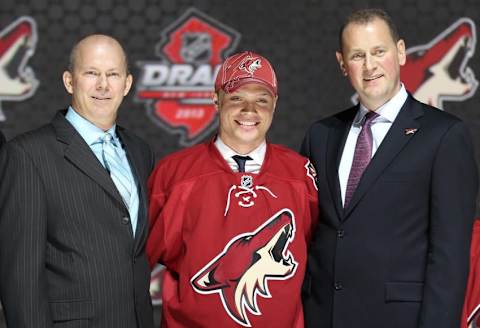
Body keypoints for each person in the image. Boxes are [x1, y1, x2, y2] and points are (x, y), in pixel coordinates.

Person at [301, 8, 478, 328]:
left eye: (378, 51)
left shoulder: (444, 135)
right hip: (322, 316)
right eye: (357, 55)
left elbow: (449, 257)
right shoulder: (321, 135)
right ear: (342, 64)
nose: (369, 66)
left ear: (400, 52)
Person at [146, 51, 318, 327]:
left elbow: (322, 258)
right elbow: (134, 263)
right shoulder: (175, 174)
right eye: (237, 98)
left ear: (274, 104)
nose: (249, 110)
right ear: (216, 99)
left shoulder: (300, 175)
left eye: (261, 100)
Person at [0, 34, 155, 328]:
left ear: (127, 84)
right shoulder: (27, 155)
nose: (103, 85)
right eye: (91, 73)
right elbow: (20, 278)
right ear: (70, 81)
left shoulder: (139, 151)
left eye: (113, 74)